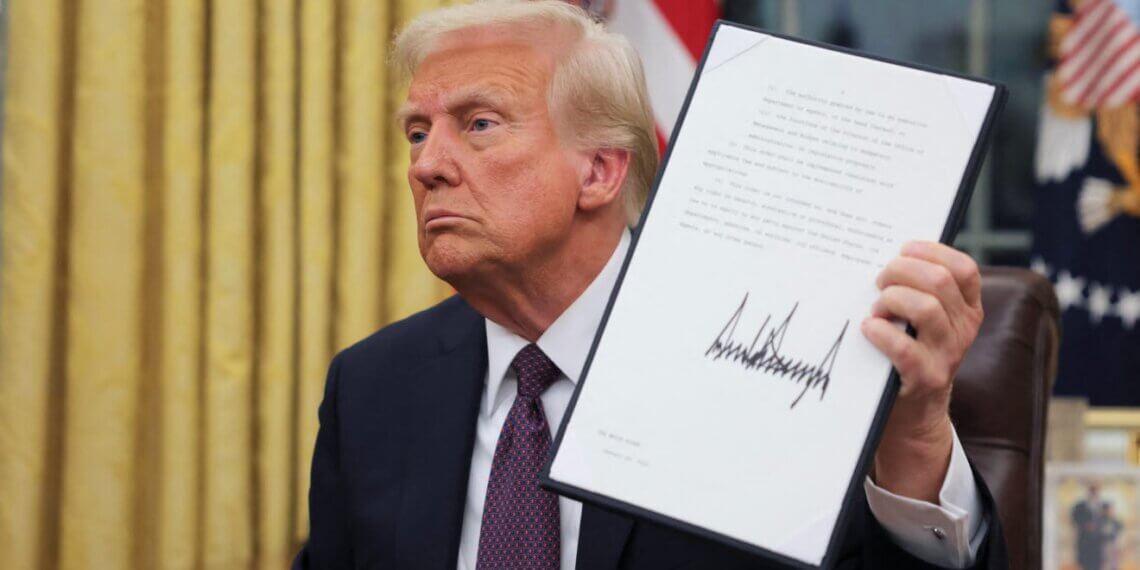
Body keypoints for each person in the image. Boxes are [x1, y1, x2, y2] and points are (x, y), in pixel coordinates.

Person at [293, 2, 1007, 568]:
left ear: (600, 171)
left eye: (478, 124)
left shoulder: (771, 352)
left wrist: (913, 437)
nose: (427, 166)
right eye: (417, 133)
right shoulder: (372, 387)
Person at [1071, 483, 1105, 570]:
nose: (1094, 494)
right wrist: (1085, 525)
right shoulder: (1079, 506)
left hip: (1098, 543)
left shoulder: (1102, 506)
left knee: (1097, 565)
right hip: (1084, 541)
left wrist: (1098, 527)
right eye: (1092, 491)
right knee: (1085, 565)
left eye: (1096, 491)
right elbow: (1074, 519)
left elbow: (1107, 521)